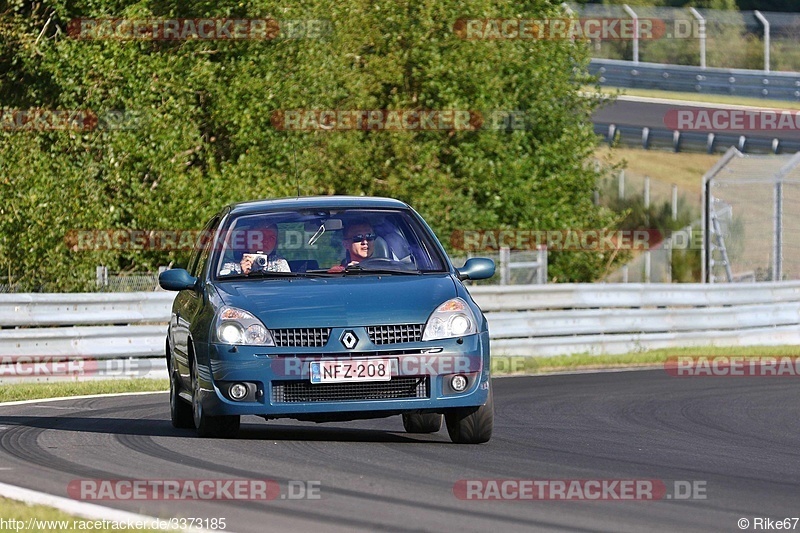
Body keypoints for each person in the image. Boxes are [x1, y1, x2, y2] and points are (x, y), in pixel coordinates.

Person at [219, 223, 290, 275]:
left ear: (275, 244)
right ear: (248, 240)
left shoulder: (279, 263)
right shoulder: (231, 266)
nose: (265, 241)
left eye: (271, 238)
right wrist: (241, 274)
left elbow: (286, 288)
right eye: (259, 236)